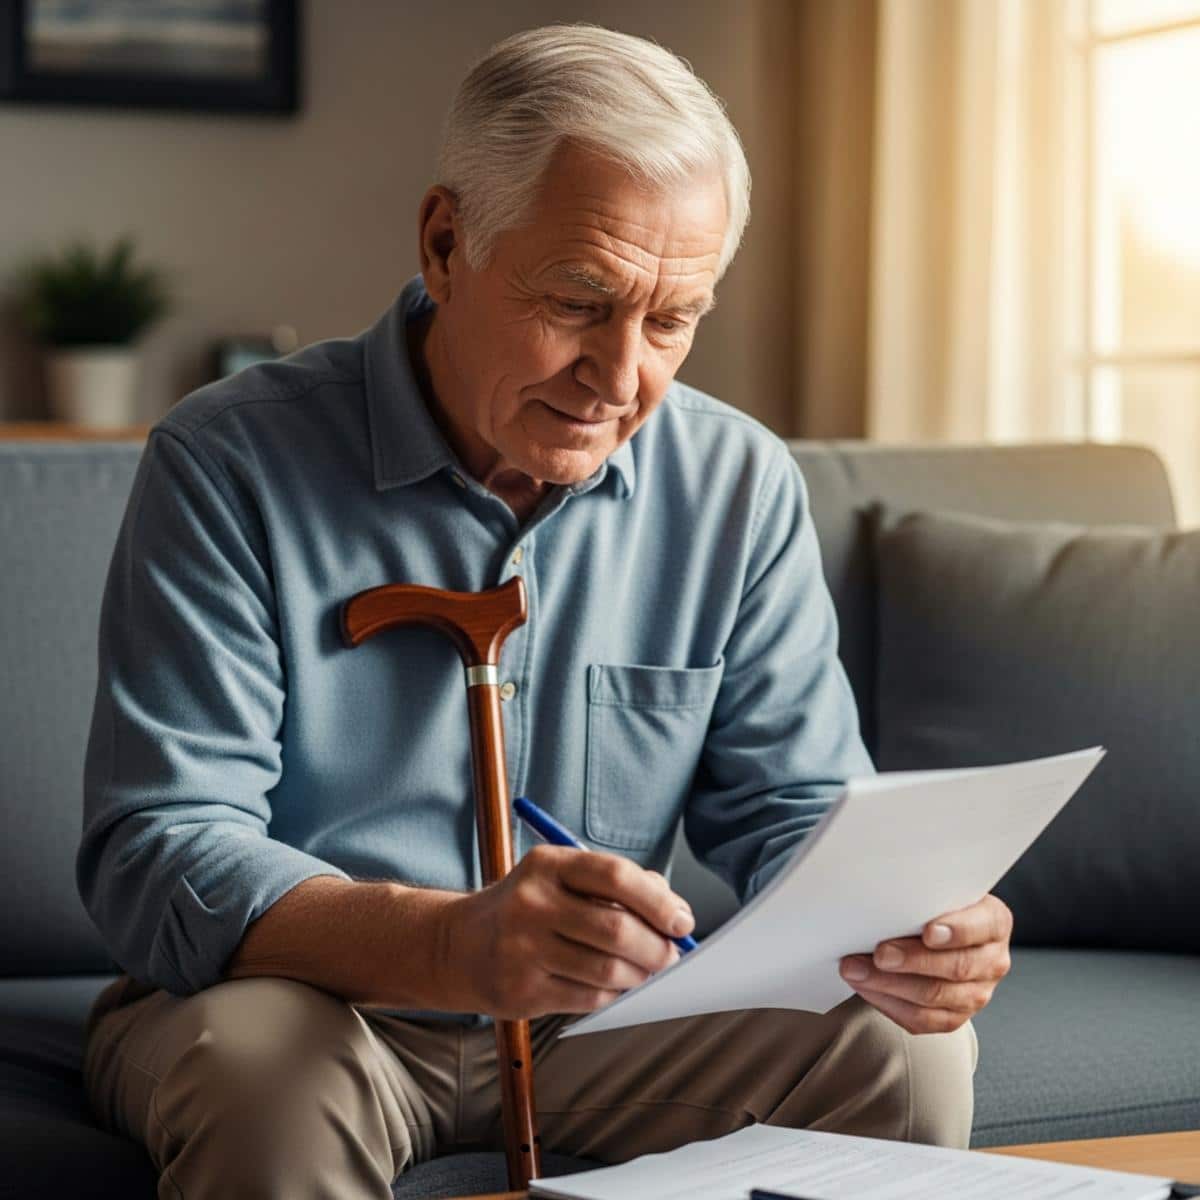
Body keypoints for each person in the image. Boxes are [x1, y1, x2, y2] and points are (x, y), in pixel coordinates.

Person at [78, 24, 1010, 1199]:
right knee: (265, 1078)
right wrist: (449, 943)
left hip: (600, 1030)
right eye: (580, 300)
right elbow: (159, 850)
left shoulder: (738, 484)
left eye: (671, 322)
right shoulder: (225, 462)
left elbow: (795, 812)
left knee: (908, 1051)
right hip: (302, 1010)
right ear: (444, 242)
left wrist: (912, 930)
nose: (622, 377)